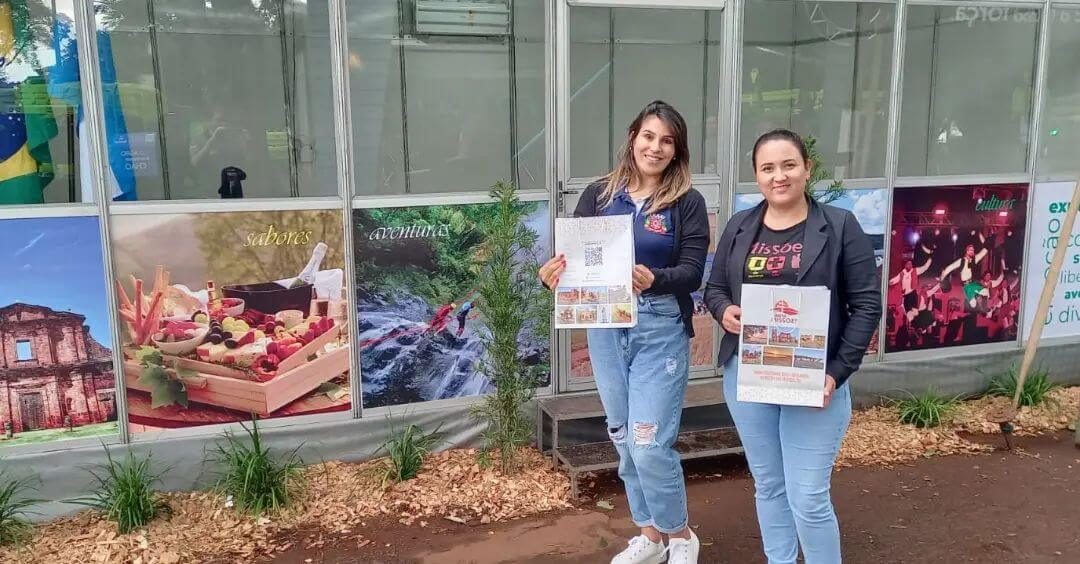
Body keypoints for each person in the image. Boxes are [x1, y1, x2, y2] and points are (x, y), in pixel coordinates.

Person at [538, 100, 709, 564]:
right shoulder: (598, 194)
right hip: (606, 327)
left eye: (666, 140)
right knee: (622, 436)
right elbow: (573, 257)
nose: (655, 147)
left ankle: (680, 536)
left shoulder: (686, 202)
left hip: (659, 326)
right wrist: (552, 273)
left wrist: (656, 278)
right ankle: (650, 536)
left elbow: (693, 272)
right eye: (648, 136)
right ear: (633, 137)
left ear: (677, 151)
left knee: (650, 441)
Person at [704, 129, 881, 564]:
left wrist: (836, 373)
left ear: (807, 169)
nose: (778, 176)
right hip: (750, 374)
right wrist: (724, 309)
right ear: (756, 176)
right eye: (767, 168)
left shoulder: (839, 226)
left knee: (808, 496)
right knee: (769, 485)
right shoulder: (740, 226)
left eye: (788, 165)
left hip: (813, 380)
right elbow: (714, 288)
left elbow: (866, 305)